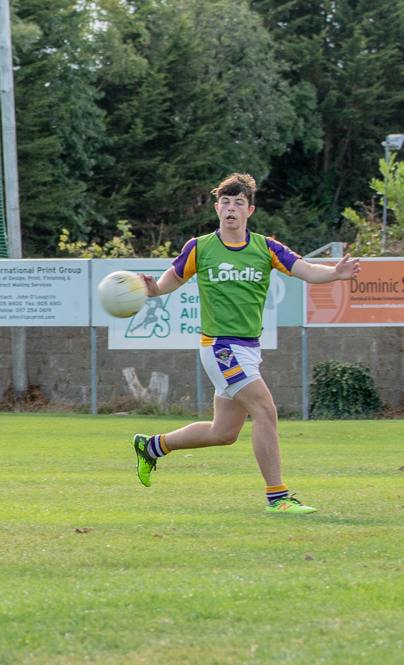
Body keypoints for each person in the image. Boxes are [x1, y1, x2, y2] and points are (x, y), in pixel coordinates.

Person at [130, 173, 360, 515]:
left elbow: (305, 269)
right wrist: (153, 289)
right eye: (225, 202)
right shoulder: (200, 247)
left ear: (249, 210)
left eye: (238, 203)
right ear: (217, 208)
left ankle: (152, 447)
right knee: (266, 411)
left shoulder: (265, 247)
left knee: (223, 432)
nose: (231, 208)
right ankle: (278, 498)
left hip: (249, 348)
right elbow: (170, 280)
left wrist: (335, 273)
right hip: (220, 347)